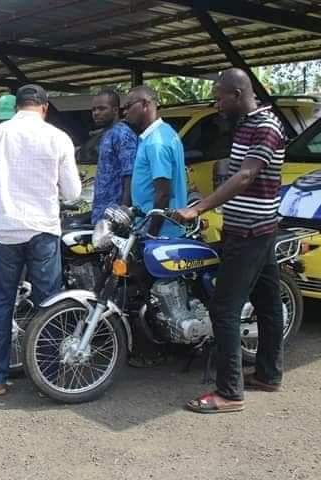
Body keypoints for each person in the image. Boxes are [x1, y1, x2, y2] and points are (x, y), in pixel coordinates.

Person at [174, 69, 287, 414]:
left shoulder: (265, 126)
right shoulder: (246, 124)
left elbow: (246, 175)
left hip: (252, 232)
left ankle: (229, 393)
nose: (216, 103)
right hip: (257, 228)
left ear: (237, 94)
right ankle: (268, 374)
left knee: (224, 308)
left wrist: (201, 208)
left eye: (220, 97)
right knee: (268, 305)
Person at [0, 85, 81, 396]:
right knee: (48, 303)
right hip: (44, 230)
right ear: (43, 107)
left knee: (2, 302)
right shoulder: (58, 137)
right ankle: (48, 375)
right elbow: (72, 193)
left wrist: (3, 182)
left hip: (5, 231)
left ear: (17, 106)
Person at [123, 85, 187, 237]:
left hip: (161, 233)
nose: (125, 112)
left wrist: (151, 234)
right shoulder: (166, 132)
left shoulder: (156, 142)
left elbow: (163, 193)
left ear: (145, 104)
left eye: (128, 106)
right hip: (165, 229)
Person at [90, 89, 138, 223]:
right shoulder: (107, 133)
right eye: (94, 109)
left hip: (116, 214)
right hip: (102, 211)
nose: (96, 113)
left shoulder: (122, 134)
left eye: (102, 109)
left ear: (115, 110)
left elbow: (130, 174)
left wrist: (124, 208)